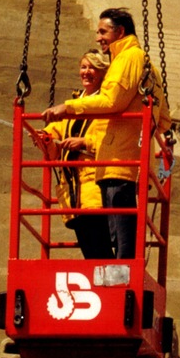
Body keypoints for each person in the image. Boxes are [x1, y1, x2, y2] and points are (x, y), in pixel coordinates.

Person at [43, 8, 171, 260]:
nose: (98, 38)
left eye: (103, 31)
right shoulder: (148, 66)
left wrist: (68, 109)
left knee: (120, 239)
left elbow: (112, 101)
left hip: (116, 160)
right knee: (120, 234)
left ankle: (122, 279)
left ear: (120, 32)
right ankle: (122, 276)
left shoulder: (127, 58)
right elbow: (164, 119)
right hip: (125, 158)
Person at [34, 49, 113, 259]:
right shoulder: (74, 103)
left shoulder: (108, 105)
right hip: (74, 191)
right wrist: (45, 136)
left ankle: (110, 287)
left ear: (103, 73)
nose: (86, 72)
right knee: (90, 250)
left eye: (92, 68)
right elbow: (58, 129)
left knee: (100, 250)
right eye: (84, 67)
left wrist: (84, 142)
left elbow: (110, 140)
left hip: (95, 188)